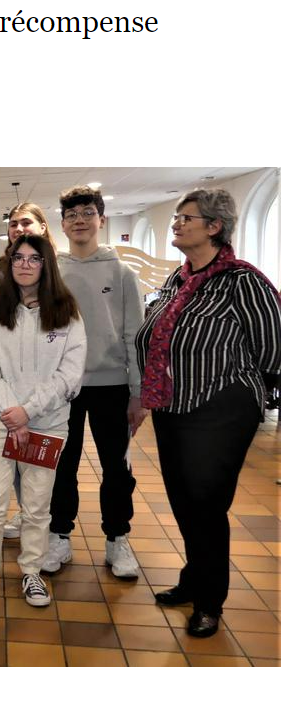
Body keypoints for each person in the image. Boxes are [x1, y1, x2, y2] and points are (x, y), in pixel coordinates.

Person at [136, 189, 279, 638]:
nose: (177, 224)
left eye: (186, 218)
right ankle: (194, 577)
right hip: (173, 405)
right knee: (183, 500)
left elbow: (272, 350)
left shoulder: (243, 281)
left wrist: (244, 393)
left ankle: (209, 601)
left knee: (207, 503)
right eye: (176, 217)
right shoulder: (178, 279)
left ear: (215, 226)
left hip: (221, 409)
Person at [0, 235, 86, 610]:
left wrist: (28, 411)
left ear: (46, 265)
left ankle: (32, 571)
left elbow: (69, 375)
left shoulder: (67, 313)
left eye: (34, 259)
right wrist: (12, 412)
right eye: (18, 258)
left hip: (46, 423)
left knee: (36, 505)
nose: (24, 264)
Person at [43, 186, 145, 577]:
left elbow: (134, 335)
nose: (79, 220)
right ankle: (59, 535)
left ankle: (118, 538)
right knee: (62, 465)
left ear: (101, 219)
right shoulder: (53, 272)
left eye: (87, 212)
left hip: (111, 386)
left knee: (116, 468)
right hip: (63, 387)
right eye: (71, 215)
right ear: (63, 224)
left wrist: (137, 393)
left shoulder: (122, 273)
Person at [0, 202, 61, 539]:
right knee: (17, 462)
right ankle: (27, 516)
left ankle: (52, 532)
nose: (19, 229)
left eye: (26, 222)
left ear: (43, 227)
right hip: (8, 390)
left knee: (46, 471)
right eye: (14, 224)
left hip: (49, 394)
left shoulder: (58, 271)